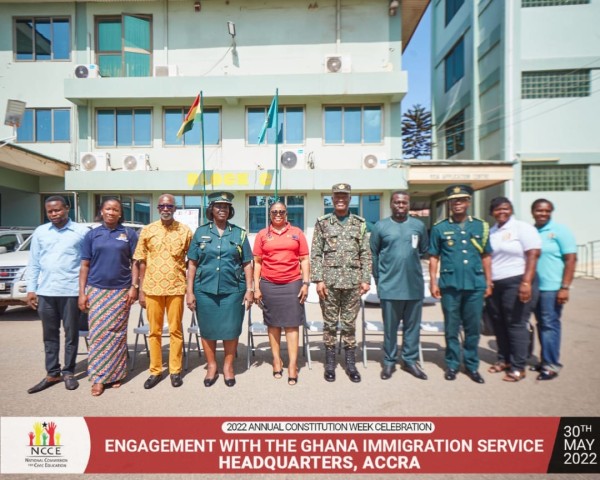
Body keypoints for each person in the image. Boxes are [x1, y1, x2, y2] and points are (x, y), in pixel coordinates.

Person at [186, 192, 253, 388]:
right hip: (204, 289)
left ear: (230, 210)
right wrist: (189, 291)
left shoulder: (239, 233)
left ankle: (228, 367)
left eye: (226, 206)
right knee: (207, 329)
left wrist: (250, 289)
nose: (222, 209)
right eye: (218, 206)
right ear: (211, 209)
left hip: (233, 290)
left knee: (231, 329)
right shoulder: (200, 233)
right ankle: (212, 365)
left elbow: (247, 263)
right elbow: (192, 263)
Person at [428, 185, 492, 384]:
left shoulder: (480, 226)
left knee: (473, 328)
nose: (457, 203)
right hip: (450, 285)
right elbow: (434, 257)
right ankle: (452, 364)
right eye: (453, 201)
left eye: (461, 200)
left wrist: (489, 282)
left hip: (475, 284)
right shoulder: (440, 228)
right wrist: (433, 282)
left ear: (468, 202)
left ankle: (472, 366)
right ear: (449, 204)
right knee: (451, 327)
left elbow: (486, 256)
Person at [26, 196, 89, 394]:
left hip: (71, 291)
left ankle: (69, 372)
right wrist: (31, 289)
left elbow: (88, 263)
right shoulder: (41, 232)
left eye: (57, 210)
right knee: (49, 335)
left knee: (71, 334)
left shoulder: (81, 232)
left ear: (67, 209)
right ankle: (52, 373)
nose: (54, 214)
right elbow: (34, 262)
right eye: (50, 211)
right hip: (46, 292)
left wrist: (84, 292)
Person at [311, 183, 371, 383]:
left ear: (350, 199)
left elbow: (365, 253)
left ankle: (350, 364)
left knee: (349, 324)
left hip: (353, 283)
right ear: (332, 199)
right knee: (329, 324)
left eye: (344, 196)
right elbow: (316, 253)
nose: (340, 199)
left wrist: (365, 279)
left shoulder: (359, 223)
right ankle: (330, 364)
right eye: (337, 196)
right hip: (329, 283)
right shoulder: (323, 223)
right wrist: (318, 280)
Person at [78, 198, 139, 396]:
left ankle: (116, 374)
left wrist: (134, 287)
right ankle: (98, 378)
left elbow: (136, 263)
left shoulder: (128, 234)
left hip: (121, 290)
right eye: (108, 209)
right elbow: (84, 265)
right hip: (97, 290)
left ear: (120, 213)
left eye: (115, 210)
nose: (111, 212)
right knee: (97, 335)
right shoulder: (92, 235)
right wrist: (82, 293)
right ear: (102, 211)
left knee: (117, 334)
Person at [133, 194, 192, 389]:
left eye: (169, 206)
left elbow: (192, 260)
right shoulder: (148, 230)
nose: (166, 209)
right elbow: (141, 261)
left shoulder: (184, 231)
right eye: (162, 206)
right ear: (158, 208)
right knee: (154, 332)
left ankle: (175, 370)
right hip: (152, 288)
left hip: (176, 287)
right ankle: (155, 371)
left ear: (175, 208)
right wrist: (141, 289)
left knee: (175, 330)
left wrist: (188, 284)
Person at [370, 190, 429, 381]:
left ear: (409, 204)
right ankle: (389, 361)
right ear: (391, 204)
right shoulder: (381, 226)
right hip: (389, 286)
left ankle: (410, 361)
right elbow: (374, 255)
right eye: (397, 202)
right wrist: (378, 280)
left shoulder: (418, 226)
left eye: (404, 202)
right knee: (390, 328)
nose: (401, 205)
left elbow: (423, 250)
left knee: (412, 327)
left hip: (414, 286)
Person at [253, 201, 310, 386]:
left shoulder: (297, 233)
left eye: (281, 212)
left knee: (292, 325)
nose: (278, 214)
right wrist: (256, 287)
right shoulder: (262, 234)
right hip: (269, 285)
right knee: (273, 325)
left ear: (286, 214)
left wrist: (306, 283)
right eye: (274, 212)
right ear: (270, 214)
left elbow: (304, 259)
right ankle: (276, 360)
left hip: (292, 284)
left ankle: (292, 365)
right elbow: (257, 262)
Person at [485, 197, 541, 382]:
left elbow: (533, 254)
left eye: (506, 208)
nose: (502, 212)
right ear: (492, 212)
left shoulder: (522, 228)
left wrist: (526, 282)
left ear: (511, 210)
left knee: (516, 323)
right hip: (496, 283)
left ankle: (518, 366)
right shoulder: (492, 231)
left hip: (517, 281)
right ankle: (504, 359)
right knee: (499, 323)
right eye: (498, 209)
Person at [530, 199, 577, 381]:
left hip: (552, 288)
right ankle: (545, 361)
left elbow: (571, 259)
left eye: (547, 211)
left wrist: (565, 287)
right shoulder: (531, 231)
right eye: (539, 210)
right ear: (533, 212)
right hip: (534, 287)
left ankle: (551, 365)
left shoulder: (560, 231)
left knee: (550, 325)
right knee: (541, 324)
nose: (543, 214)